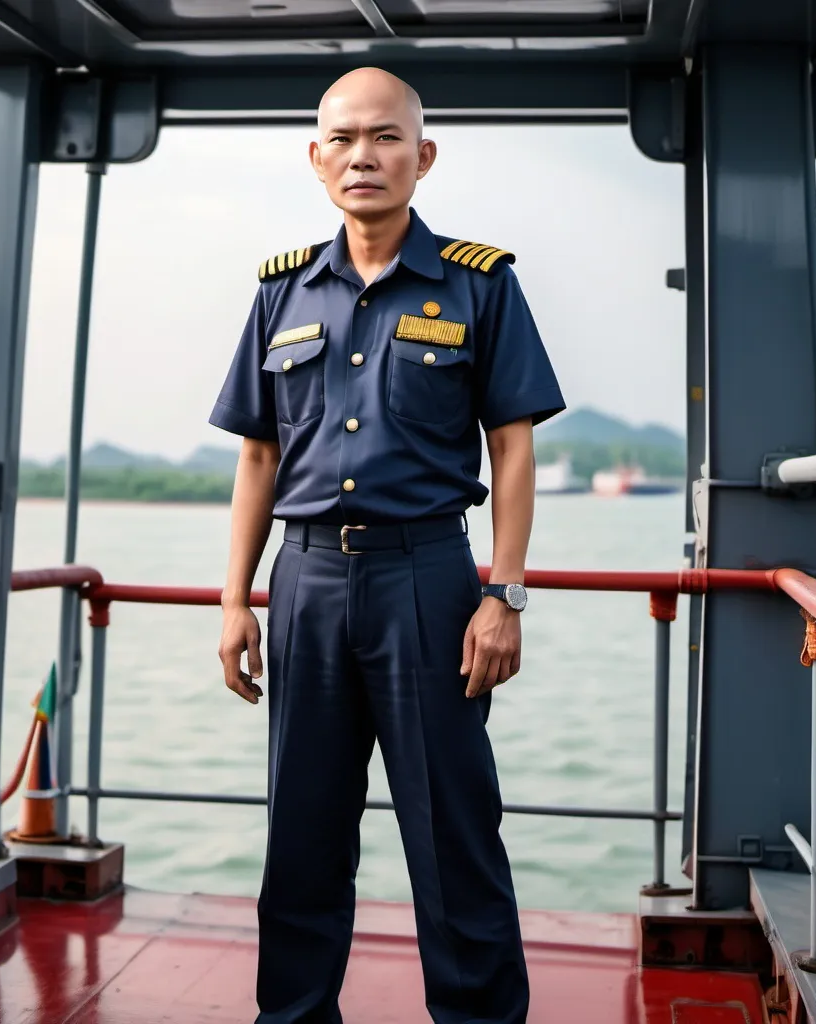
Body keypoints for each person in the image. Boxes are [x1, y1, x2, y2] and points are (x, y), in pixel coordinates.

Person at [209, 66, 565, 1024]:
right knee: (303, 837)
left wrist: (507, 594)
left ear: (424, 155)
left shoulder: (480, 284)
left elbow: (514, 445)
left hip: (430, 581)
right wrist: (238, 599)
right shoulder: (282, 294)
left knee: (454, 835)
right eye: (343, 138)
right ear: (316, 156)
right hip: (308, 583)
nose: (363, 155)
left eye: (386, 137)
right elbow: (258, 455)